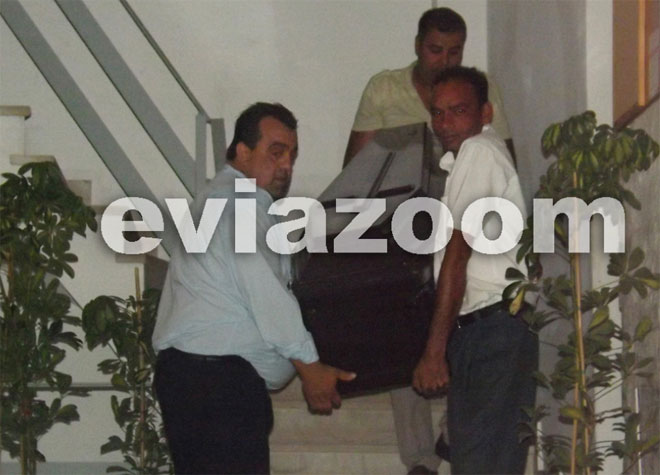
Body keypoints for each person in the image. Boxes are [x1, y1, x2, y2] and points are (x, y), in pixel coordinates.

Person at [343, 8, 515, 474]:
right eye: (436, 50)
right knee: (406, 336)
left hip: (461, 228)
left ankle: (450, 435)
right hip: (402, 229)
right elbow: (357, 170)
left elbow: (504, 159)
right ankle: (420, 457)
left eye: (454, 51)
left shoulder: (480, 96)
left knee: (457, 326)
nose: (444, 59)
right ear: (418, 46)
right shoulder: (385, 88)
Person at [152, 102, 356, 474]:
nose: (286, 165)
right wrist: (309, 367)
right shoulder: (238, 204)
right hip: (215, 386)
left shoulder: (223, 199)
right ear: (243, 152)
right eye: (276, 152)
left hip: (201, 381)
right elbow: (266, 295)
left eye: (292, 155)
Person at [412, 66, 538, 474]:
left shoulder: (479, 152)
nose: (445, 123)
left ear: (485, 113)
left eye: (458, 110)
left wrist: (434, 352)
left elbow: (457, 254)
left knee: (479, 463)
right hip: (491, 331)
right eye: (438, 113)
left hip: (493, 332)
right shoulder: (476, 156)